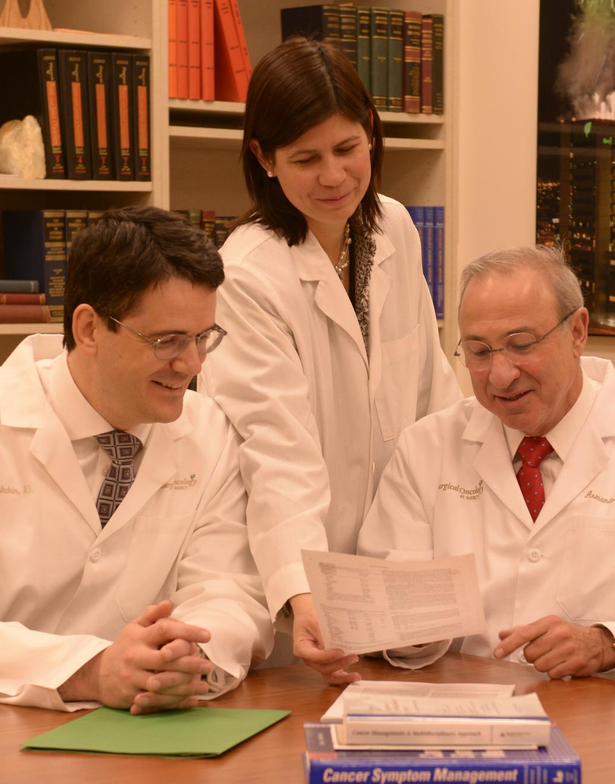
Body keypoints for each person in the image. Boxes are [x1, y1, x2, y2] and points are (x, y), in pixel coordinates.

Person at [0, 207, 272, 719]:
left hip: (133, 718)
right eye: (167, 341)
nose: (193, 365)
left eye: (203, 338)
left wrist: (188, 654)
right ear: (88, 328)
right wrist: (93, 669)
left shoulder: (209, 432)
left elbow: (228, 589)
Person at [198, 38, 460, 684]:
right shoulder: (247, 274)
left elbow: (434, 396)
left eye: (347, 149)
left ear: (372, 131)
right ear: (264, 158)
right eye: (306, 159)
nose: (334, 176)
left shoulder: (395, 228)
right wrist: (302, 589)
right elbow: (274, 449)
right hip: (301, 598)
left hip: (400, 587)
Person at [357, 246, 615, 680]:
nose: (500, 375)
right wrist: (401, 631)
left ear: (578, 332)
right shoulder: (427, 448)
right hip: (466, 711)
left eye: (521, 345)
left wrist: (610, 642)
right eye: (479, 352)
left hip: (613, 719)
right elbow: (387, 609)